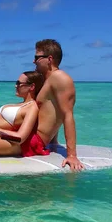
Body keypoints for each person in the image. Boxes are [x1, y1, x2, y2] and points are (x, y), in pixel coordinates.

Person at [33, 39, 84, 171]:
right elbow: (52, 110)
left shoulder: (60, 78)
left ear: (49, 59)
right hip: (30, 135)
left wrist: (71, 155)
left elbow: (67, 114)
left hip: (33, 140)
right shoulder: (47, 80)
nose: (34, 61)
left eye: (37, 57)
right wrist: (53, 141)